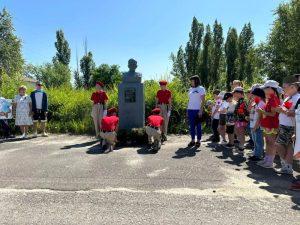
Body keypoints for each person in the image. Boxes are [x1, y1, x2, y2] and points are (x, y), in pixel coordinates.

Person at [275, 81, 300, 174]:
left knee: (278, 144)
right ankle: (287, 167)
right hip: (284, 124)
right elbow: (286, 110)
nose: (283, 89)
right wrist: (281, 110)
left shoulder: (298, 98)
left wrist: (283, 111)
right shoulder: (289, 97)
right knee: (289, 146)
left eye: (285, 87)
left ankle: (285, 164)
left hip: (289, 126)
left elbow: (296, 113)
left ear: (293, 87)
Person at [257, 80, 281, 168]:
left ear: (271, 88)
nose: (263, 90)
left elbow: (273, 114)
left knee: (271, 143)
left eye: (265, 88)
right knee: (268, 142)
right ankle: (266, 159)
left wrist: (262, 111)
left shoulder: (273, 99)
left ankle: (270, 162)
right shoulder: (270, 99)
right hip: (268, 124)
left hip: (272, 125)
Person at [187, 75, 206, 147]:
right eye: (191, 81)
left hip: (197, 110)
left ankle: (198, 140)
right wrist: (187, 110)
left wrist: (201, 110)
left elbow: (203, 100)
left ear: (196, 81)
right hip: (190, 110)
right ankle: (192, 140)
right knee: (191, 126)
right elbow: (189, 100)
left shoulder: (201, 88)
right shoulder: (190, 89)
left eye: (192, 80)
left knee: (198, 126)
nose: (191, 82)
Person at [249, 88, 266, 161]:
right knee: (255, 140)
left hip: (258, 126)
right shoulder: (256, 103)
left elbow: (260, 117)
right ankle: (256, 154)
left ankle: (258, 155)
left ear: (258, 95)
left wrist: (256, 126)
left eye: (253, 95)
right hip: (253, 124)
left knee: (258, 141)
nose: (251, 96)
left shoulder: (261, 103)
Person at [233, 86, 249, 153]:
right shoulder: (239, 101)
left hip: (242, 120)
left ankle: (241, 148)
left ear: (239, 93)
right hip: (238, 120)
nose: (234, 95)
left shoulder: (243, 101)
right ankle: (240, 146)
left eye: (235, 93)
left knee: (241, 133)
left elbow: (243, 111)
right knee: (238, 132)